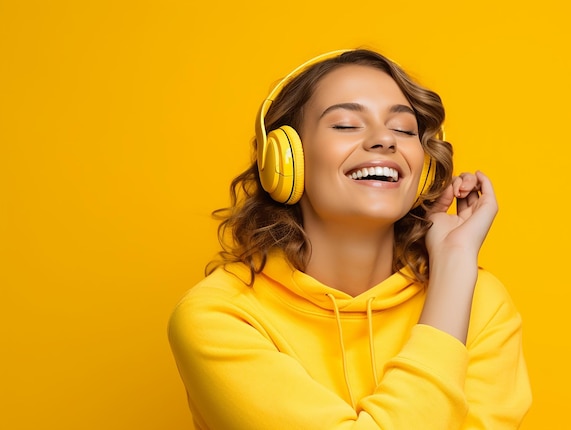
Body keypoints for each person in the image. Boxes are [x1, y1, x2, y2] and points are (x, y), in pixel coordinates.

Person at [168, 49, 531, 429]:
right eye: (345, 125)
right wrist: (454, 279)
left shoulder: (479, 301)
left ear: (423, 171)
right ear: (286, 160)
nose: (385, 140)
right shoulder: (219, 317)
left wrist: (454, 265)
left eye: (404, 130)